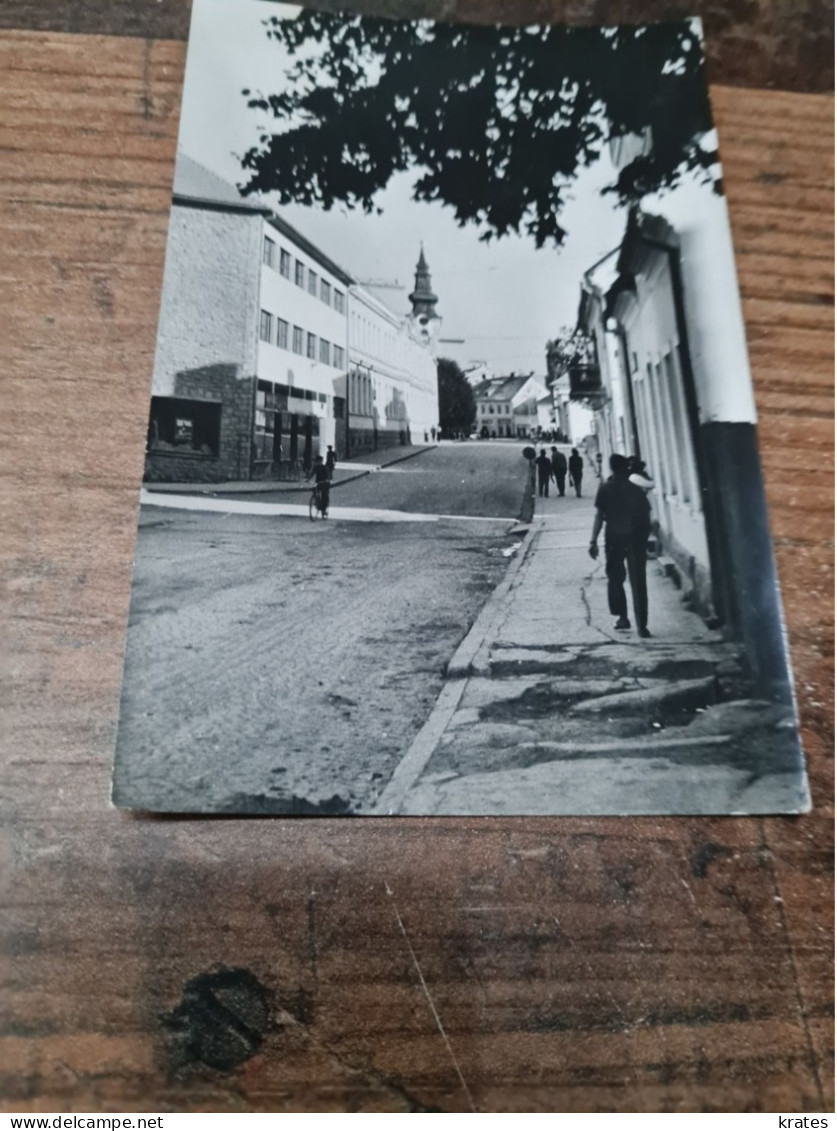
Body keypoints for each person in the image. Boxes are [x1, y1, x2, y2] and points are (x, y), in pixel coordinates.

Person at [589, 454, 652, 637]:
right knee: (638, 580)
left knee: (616, 579)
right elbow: (646, 514)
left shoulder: (606, 488)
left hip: (614, 539)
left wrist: (593, 541)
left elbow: (599, 516)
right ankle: (642, 625)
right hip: (636, 538)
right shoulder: (636, 488)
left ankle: (623, 618)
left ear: (611, 468)